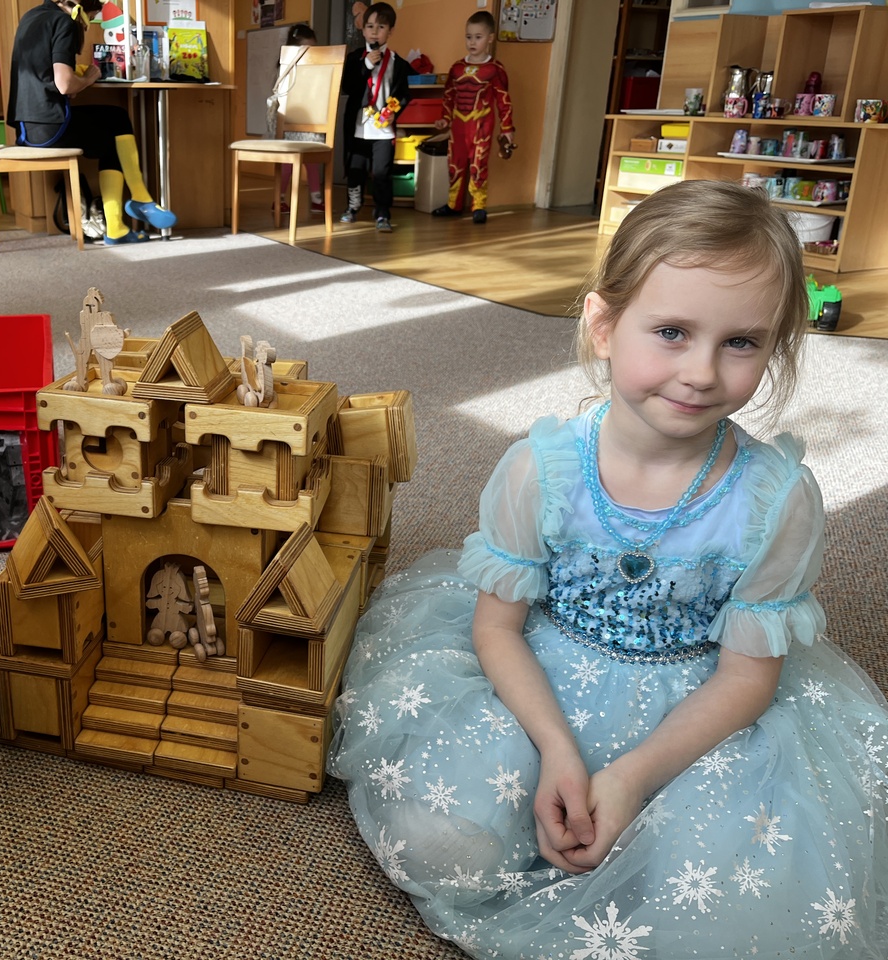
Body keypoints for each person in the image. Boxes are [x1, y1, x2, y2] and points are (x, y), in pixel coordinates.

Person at [328, 179, 888, 957]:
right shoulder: (540, 470)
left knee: (729, 901)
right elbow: (497, 629)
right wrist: (557, 749)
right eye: (672, 332)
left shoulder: (778, 501)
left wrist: (632, 778)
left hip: (696, 709)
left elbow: (745, 679)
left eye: (741, 342)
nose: (701, 372)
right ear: (603, 325)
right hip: (541, 681)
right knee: (443, 842)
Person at [8, 0, 177, 245]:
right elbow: (64, 84)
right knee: (117, 122)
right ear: (82, 11)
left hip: (26, 128)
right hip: (49, 128)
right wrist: (88, 78)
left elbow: (44, 76)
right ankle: (135, 205)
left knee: (111, 134)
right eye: (92, 18)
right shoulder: (64, 22)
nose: (87, 26)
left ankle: (125, 219)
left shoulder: (31, 16)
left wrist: (73, 84)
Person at [431, 11, 515, 224]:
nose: (472, 42)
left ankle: (479, 205)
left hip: (481, 125)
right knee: (455, 163)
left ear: (490, 38)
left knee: (478, 164)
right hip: (459, 125)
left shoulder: (495, 69)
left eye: (478, 37)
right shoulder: (457, 68)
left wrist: (507, 129)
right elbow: (449, 96)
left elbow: (504, 101)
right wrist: (445, 118)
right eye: (469, 37)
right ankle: (453, 204)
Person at [339, 2, 415, 233]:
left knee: (382, 173)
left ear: (390, 31)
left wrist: (395, 112)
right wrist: (366, 64)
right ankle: (353, 206)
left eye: (381, 27)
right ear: (363, 30)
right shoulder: (354, 58)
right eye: (370, 26)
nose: (374, 31)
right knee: (355, 170)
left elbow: (404, 94)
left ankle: (382, 213)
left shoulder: (398, 63)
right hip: (358, 127)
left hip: (383, 129)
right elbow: (347, 86)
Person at [271, 23, 325, 216]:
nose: (309, 54)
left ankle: (316, 199)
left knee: (312, 161)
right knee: (288, 162)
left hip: (309, 122)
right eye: (305, 49)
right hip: (289, 122)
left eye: (313, 49)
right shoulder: (285, 68)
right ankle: (279, 198)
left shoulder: (316, 70)